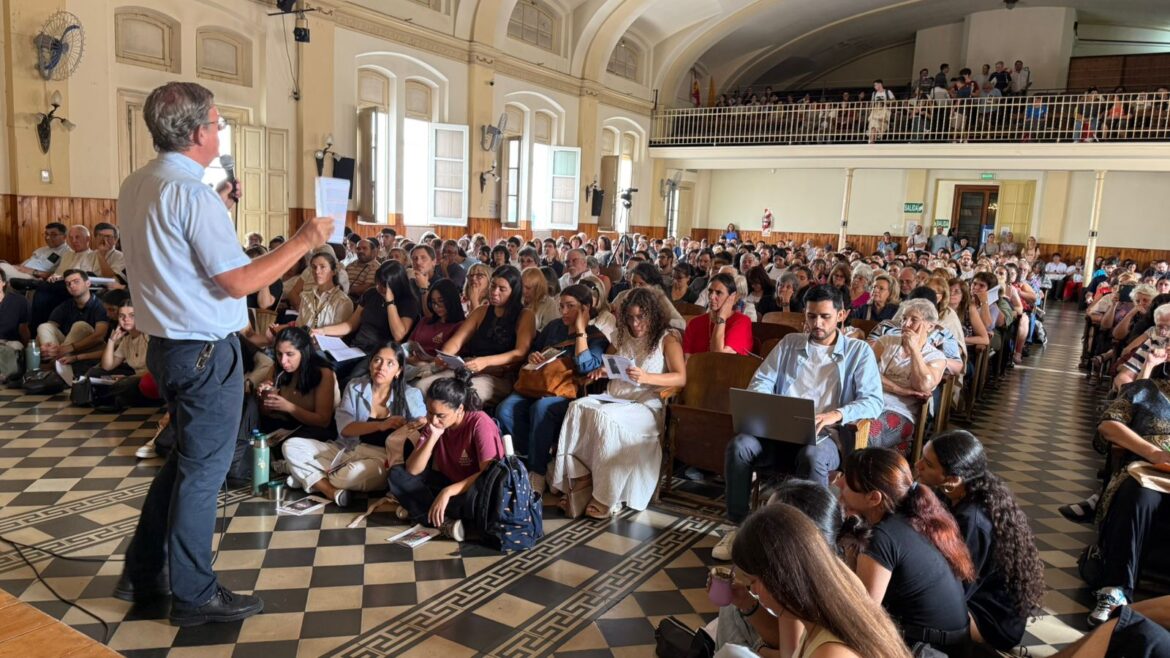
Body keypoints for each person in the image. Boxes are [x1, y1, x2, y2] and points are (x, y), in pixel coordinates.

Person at [114, 82, 333, 626]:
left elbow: (180, 261)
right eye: (215, 121)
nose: (219, 129)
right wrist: (304, 241)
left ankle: (144, 570)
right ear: (195, 133)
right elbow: (238, 282)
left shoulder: (138, 183)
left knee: (186, 465)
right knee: (202, 476)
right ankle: (193, 594)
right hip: (204, 351)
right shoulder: (191, 194)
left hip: (167, 346)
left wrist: (221, 209)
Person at [718, 285, 884, 557]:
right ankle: (739, 525)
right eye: (811, 316)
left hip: (827, 433)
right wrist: (768, 405)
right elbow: (761, 381)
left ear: (841, 315)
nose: (816, 324)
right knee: (739, 446)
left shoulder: (858, 351)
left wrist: (837, 413)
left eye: (825, 317)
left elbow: (874, 402)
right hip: (780, 428)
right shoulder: (789, 344)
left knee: (812, 456)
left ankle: (815, 539)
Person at [549, 287, 686, 519]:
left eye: (641, 317)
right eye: (630, 317)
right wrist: (604, 371)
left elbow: (680, 377)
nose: (635, 323)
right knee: (577, 408)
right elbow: (612, 363)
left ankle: (606, 494)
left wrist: (646, 377)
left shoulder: (667, 338)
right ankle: (580, 479)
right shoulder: (622, 335)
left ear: (652, 314)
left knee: (604, 418)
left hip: (645, 404)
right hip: (615, 397)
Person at [718, 505, 913, 658]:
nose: (755, 592)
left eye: (752, 583)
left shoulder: (831, 652)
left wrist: (757, 648)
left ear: (779, 579)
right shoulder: (836, 587)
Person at [915, 430, 1046, 652]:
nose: (918, 465)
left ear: (952, 479)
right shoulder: (964, 490)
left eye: (927, 464)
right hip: (976, 599)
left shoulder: (972, 521)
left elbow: (955, 590)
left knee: (907, 616)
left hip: (991, 619)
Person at [838, 448, 974, 653]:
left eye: (846, 483)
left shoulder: (881, 537)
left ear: (874, 498)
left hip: (928, 649)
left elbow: (862, 616)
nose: (838, 484)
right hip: (956, 644)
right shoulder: (919, 517)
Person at [495, 284, 609, 492]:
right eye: (561, 306)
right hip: (538, 385)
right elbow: (535, 350)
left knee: (541, 409)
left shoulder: (596, 336)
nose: (564, 312)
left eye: (571, 307)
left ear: (585, 308)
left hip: (567, 392)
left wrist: (581, 331)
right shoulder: (554, 327)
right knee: (505, 409)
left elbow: (586, 367)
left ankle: (536, 471)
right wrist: (533, 356)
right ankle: (539, 458)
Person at [283, 342, 425, 506]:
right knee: (291, 446)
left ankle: (305, 475)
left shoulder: (410, 394)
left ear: (398, 371)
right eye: (377, 360)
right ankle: (329, 490)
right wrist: (381, 425)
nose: (381, 367)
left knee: (349, 475)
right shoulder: (355, 386)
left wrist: (419, 422)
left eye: (390, 363)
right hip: (347, 449)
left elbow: (421, 425)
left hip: (381, 459)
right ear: (370, 363)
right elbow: (345, 429)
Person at [1088, 375, 1170, 626]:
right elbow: (1108, 426)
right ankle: (1116, 588)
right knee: (1138, 496)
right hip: (1147, 472)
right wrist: (1154, 454)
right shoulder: (1145, 389)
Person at [388, 368, 505, 541]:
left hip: (474, 488)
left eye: (441, 415)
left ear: (460, 409)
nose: (434, 420)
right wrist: (433, 436)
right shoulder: (434, 425)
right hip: (449, 482)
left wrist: (448, 492)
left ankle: (421, 512)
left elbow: (488, 473)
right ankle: (442, 522)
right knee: (397, 475)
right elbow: (413, 470)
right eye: (430, 413)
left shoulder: (480, 423)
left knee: (474, 504)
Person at [418, 265, 535, 407]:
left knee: (463, 395)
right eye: (493, 286)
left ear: (514, 292)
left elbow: (520, 352)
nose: (495, 292)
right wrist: (445, 355)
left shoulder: (525, 315)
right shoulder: (482, 311)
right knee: (422, 386)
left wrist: (485, 362)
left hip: (500, 376)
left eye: (502, 289)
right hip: (469, 367)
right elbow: (457, 341)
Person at [868, 300, 947, 451]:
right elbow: (864, 373)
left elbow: (923, 385)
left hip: (900, 411)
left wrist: (914, 349)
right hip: (870, 401)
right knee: (846, 427)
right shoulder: (886, 342)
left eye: (913, 320)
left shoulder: (936, 357)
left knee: (870, 432)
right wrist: (901, 390)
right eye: (904, 318)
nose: (905, 324)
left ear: (930, 326)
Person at [314, 260, 420, 361]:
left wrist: (390, 302)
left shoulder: (408, 302)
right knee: (318, 358)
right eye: (377, 283)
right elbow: (350, 325)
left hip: (377, 353)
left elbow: (398, 336)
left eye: (383, 285)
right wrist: (323, 331)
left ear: (395, 284)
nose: (378, 287)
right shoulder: (371, 293)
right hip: (356, 347)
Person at [254, 327, 338, 439]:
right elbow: (265, 412)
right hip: (281, 425)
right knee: (249, 404)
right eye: (279, 354)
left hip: (310, 429)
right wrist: (264, 394)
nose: (283, 361)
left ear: (303, 352)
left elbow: (323, 421)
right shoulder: (277, 368)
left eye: (289, 354)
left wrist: (289, 407)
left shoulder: (323, 373)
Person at [85, 298, 155, 410]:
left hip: (149, 380)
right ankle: (111, 398)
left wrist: (128, 377)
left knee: (128, 383)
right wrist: (111, 341)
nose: (126, 319)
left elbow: (155, 371)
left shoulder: (149, 337)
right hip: (133, 377)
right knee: (94, 373)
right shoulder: (126, 340)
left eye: (132, 315)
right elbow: (107, 366)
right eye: (122, 316)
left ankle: (105, 398)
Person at [36, 270, 110, 364]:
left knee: (80, 326)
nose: (72, 285)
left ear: (88, 283)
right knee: (44, 327)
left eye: (76, 281)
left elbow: (99, 336)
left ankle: (53, 363)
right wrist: (45, 348)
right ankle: (53, 360)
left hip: (93, 348)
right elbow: (47, 330)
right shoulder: (65, 306)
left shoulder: (100, 305)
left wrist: (70, 347)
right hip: (65, 348)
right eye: (68, 284)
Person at [683, 272, 751, 358]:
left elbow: (719, 356)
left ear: (732, 297)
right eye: (710, 291)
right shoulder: (695, 323)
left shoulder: (742, 321)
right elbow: (687, 360)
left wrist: (721, 317)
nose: (711, 296)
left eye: (718, 293)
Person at [0, 268, 31, 381]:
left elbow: (24, 329)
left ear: (4, 282)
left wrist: (28, 350)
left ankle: (9, 374)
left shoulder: (19, 301)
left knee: (16, 347)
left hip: (10, 342)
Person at [521, 265, 559, 330]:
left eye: (528, 288)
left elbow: (550, 332)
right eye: (521, 286)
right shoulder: (517, 298)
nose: (523, 291)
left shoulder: (550, 304)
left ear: (538, 288)